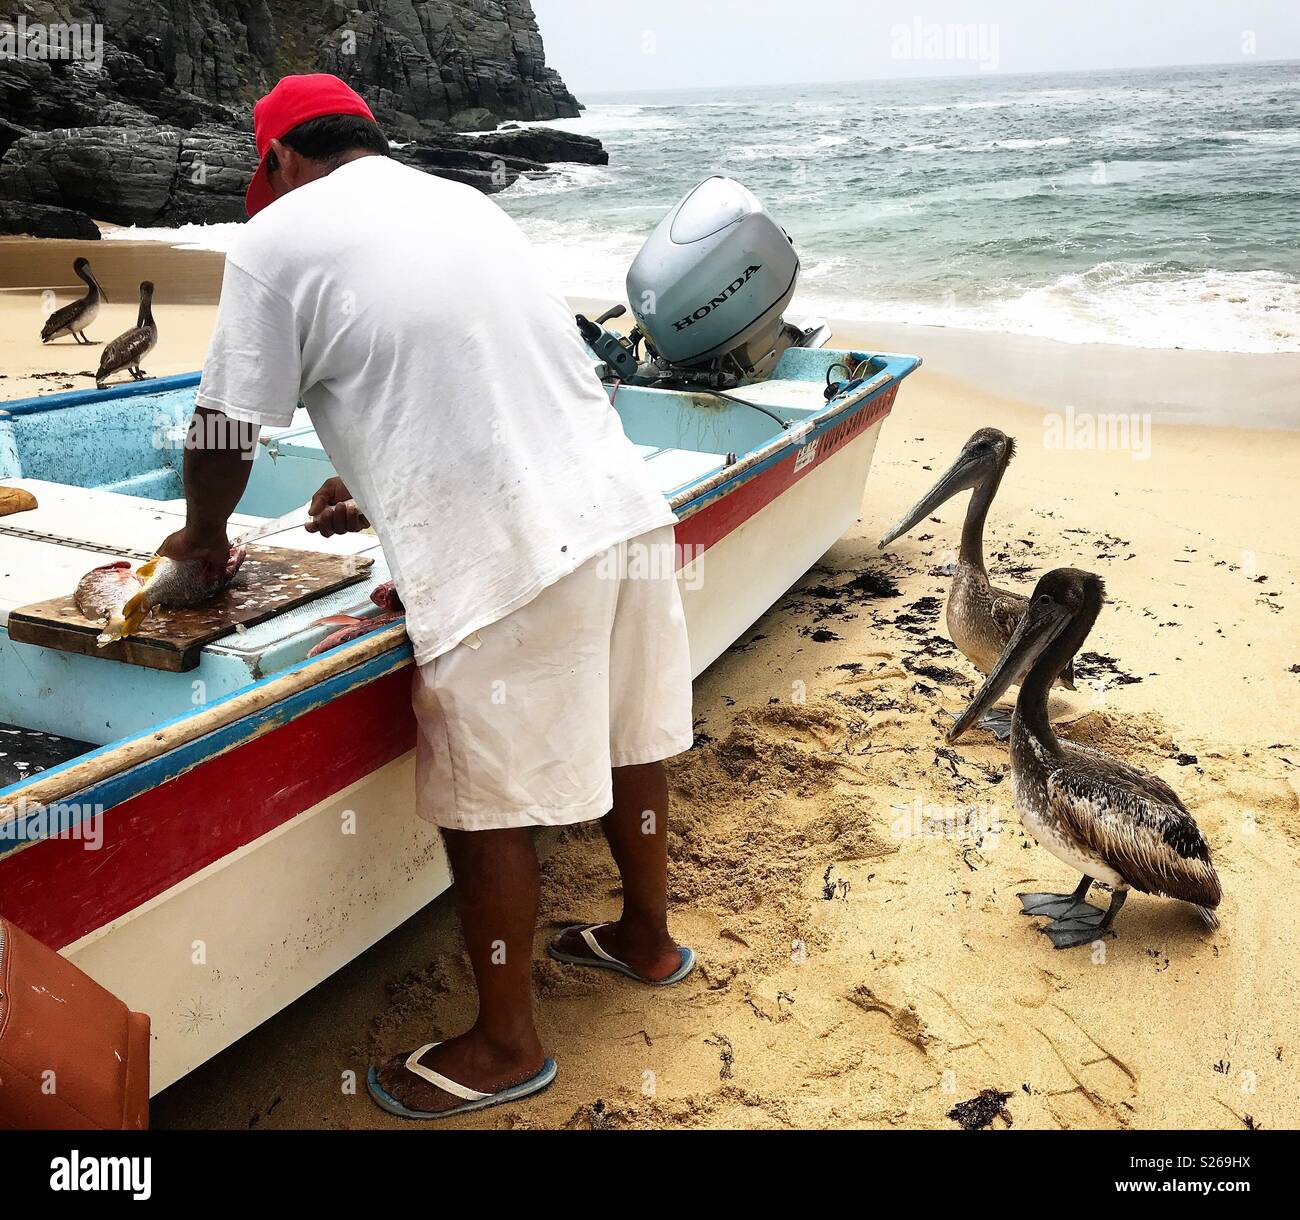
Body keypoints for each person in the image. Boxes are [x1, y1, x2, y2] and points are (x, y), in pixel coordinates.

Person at [158, 74, 696, 1119]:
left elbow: (225, 425)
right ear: (369, 137)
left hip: (513, 557)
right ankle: (645, 937)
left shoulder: (274, 240)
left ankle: (505, 1042)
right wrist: (376, 481)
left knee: (483, 805)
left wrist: (205, 536)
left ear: (273, 160)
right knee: (634, 737)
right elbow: (476, 369)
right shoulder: (462, 201)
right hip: (624, 512)